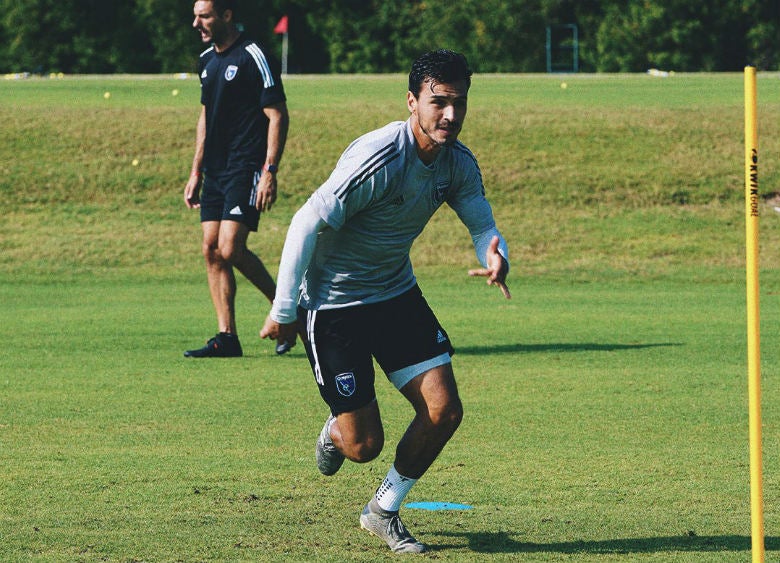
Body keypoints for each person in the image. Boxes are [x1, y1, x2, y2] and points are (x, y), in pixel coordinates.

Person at [260, 49, 510, 553]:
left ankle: (383, 510)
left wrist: (494, 251)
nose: (451, 115)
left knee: (445, 410)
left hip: (395, 293)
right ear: (412, 101)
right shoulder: (379, 156)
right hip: (333, 304)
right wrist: (284, 309)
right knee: (362, 445)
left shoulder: (457, 163)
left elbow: (481, 220)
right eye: (439, 102)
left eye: (460, 103)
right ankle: (336, 430)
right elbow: (306, 221)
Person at [183, 0, 293, 357]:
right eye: (196, 15)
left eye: (205, 16)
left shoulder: (253, 55)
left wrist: (269, 171)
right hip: (214, 170)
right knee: (211, 250)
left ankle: (288, 312)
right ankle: (226, 336)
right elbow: (205, 116)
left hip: (245, 166)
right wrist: (196, 170)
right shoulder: (206, 61)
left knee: (230, 247)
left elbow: (277, 115)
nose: (197, 22)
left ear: (227, 16)